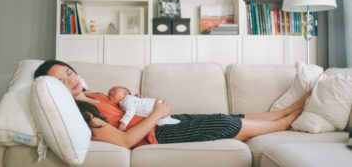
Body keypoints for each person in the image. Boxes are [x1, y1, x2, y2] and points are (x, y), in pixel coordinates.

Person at [34, 60, 309, 149]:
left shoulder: (94, 95)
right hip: (156, 133)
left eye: (68, 72)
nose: (69, 80)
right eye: (60, 80)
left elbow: (125, 108)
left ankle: (283, 111)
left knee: (222, 115)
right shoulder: (82, 113)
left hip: (159, 120)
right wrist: (156, 113)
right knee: (224, 124)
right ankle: (287, 122)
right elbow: (125, 141)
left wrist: (139, 103)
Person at [108, 86, 180, 131]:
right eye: (110, 95)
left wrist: (124, 122)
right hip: (156, 108)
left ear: (125, 92)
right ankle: (175, 121)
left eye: (114, 90)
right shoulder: (124, 103)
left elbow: (131, 111)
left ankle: (174, 122)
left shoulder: (127, 99)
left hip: (155, 108)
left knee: (164, 122)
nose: (111, 93)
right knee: (166, 121)